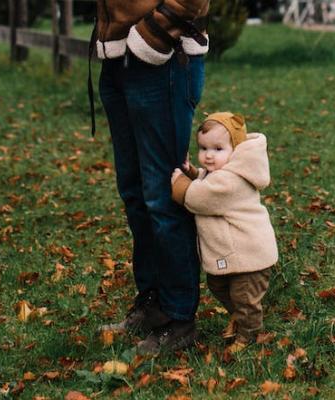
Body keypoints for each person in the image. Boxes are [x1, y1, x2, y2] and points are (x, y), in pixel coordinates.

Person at [95, 0, 210, 355]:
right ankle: (153, 303)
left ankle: (178, 317)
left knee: (164, 193)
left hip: (162, 60)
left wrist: (151, 37)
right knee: (135, 192)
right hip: (118, 60)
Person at [171, 112, 278, 352]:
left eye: (218, 149)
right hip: (233, 254)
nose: (209, 155)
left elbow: (201, 196)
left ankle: (248, 335)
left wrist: (179, 183)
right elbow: (207, 182)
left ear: (236, 150)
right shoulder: (222, 172)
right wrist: (193, 174)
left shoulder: (232, 179)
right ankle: (241, 318)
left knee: (244, 297)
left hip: (249, 256)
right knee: (218, 285)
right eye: (203, 148)